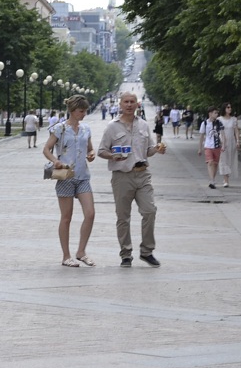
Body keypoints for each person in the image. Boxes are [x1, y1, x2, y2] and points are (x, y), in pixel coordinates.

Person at [98, 91, 167, 268]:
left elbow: (148, 150)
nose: (129, 105)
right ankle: (126, 254)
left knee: (149, 211)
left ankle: (147, 251)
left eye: (132, 102)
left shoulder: (143, 125)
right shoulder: (112, 127)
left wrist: (157, 149)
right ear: (120, 104)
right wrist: (112, 156)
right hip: (122, 176)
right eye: (126, 102)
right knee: (123, 217)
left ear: (137, 104)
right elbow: (101, 151)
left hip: (143, 174)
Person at [42, 94, 96, 267]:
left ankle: (81, 252)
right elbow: (46, 149)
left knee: (90, 213)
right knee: (66, 217)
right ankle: (66, 256)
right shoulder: (60, 128)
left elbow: (90, 149)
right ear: (72, 110)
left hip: (83, 176)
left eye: (85, 111)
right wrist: (55, 161)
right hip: (65, 176)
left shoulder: (86, 129)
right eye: (81, 111)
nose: (84, 114)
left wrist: (91, 154)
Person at [198, 105, 224, 189]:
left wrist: (223, 145)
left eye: (217, 113)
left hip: (217, 146)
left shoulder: (219, 123)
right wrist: (200, 148)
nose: (217, 114)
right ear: (210, 113)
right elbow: (201, 136)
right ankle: (212, 180)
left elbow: (223, 134)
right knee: (210, 162)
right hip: (208, 146)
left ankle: (213, 179)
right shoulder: (204, 123)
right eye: (215, 113)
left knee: (215, 164)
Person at [218, 102, 241, 187]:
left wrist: (238, 141)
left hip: (231, 141)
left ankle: (226, 177)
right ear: (224, 109)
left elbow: (236, 131)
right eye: (228, 107)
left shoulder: (234, 119)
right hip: (223, 141)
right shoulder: (219, 119)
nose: (230, 109)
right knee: (223, 160)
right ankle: (226, 180)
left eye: (230, 107)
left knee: (230, 160)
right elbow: (218, 131)